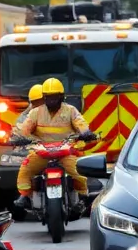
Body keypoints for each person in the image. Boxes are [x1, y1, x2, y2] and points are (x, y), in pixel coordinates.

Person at [12, 78, 96, 211]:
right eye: (48, 97)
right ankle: (25, 197)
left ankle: (82, 197)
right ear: (44, 97)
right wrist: (19, 138)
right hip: (41, 152)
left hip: (66, 151)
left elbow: (80, 123)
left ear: (61, 97)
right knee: (25, 170)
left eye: (55, 97)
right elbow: (25, 129)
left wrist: (86, 133)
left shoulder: (71, 110)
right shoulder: (36, 112)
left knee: (78, 172)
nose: (51, 101)